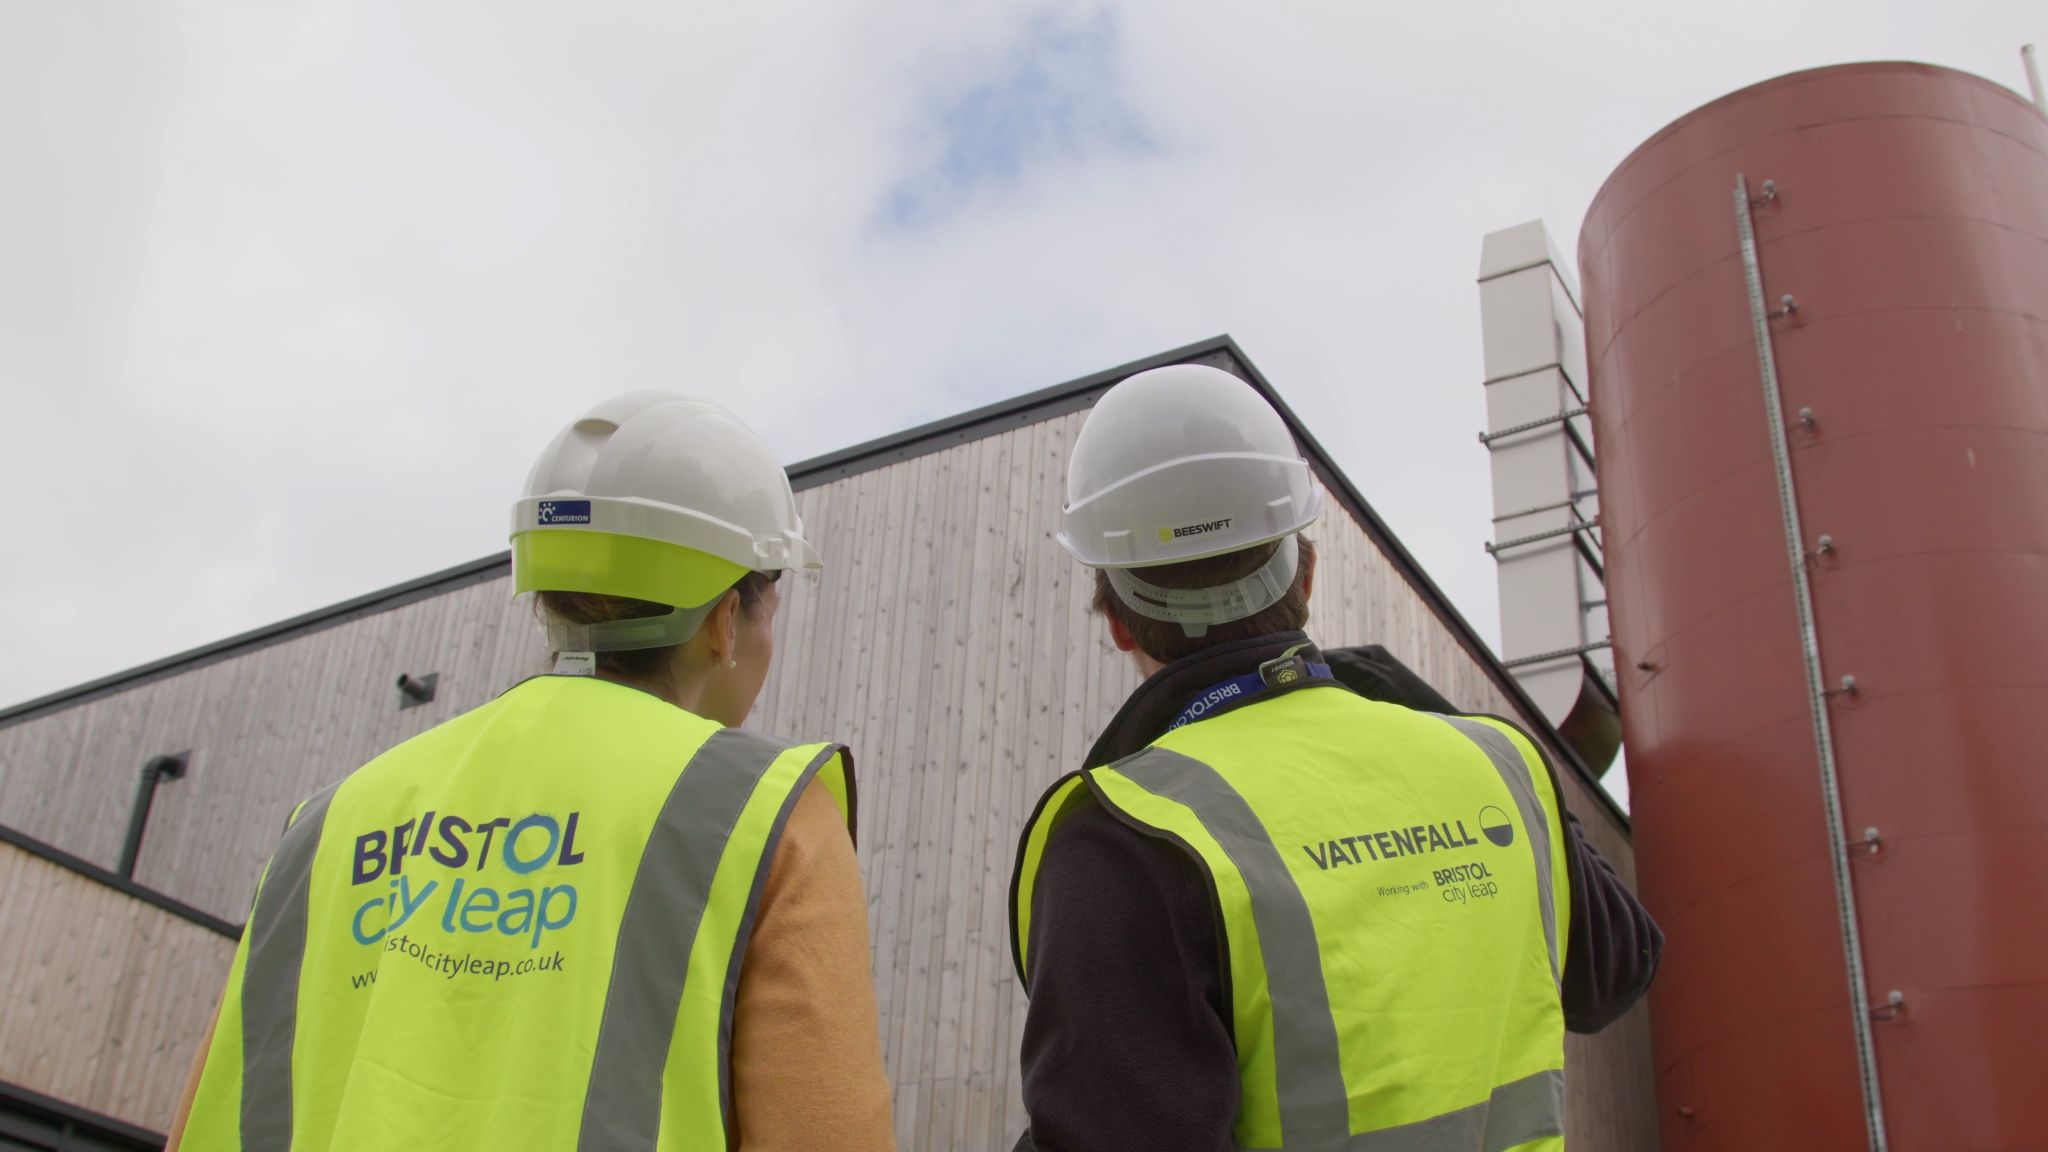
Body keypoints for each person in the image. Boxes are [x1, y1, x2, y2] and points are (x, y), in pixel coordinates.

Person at [169, 393, 895, 1151]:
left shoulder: (325, 829)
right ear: (723, 620)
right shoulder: (761, 814)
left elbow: (207, 1120)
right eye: (768, 603)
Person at [1007, 364, 1661, 1152]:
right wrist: (1422, 707)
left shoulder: (1125, 836)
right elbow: (1618, 968)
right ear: (1306, 576)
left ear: (1116, 619)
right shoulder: (1499, 765)